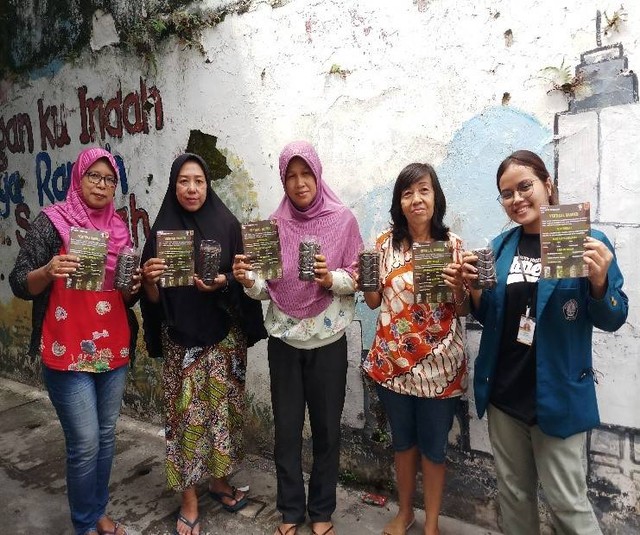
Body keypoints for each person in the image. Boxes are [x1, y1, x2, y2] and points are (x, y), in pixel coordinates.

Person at [461, 150, 628, 534]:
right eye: (506, 194)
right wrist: (473, 292)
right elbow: (493, 318)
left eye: (525, 187)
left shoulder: (585, 240)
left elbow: (614, 317)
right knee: (515, 498)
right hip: (505, 395)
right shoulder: (500, 249)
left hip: (558, 395)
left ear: (547, 185)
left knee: (568, 505)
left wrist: (600, 283)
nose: (517, 199)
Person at [232, 141, 363, 535]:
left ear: (318, 175)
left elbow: (357, 275)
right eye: (291, 175)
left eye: (307, 174)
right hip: (285, 344)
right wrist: (247, 279)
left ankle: (321, 511)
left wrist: (330, 278)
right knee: (286, 431)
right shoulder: (272, 226)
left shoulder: (343, 220)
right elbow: (264, 289)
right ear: (283, 179)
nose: (300, 182)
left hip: (328, 344)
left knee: (327, 431)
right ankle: (291, 509)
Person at [9, 147, 139, 535]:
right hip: (66, 348)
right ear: (78, 178)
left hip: (113, 346)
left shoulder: (118, 226)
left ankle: (97, 511)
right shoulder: (51, 222)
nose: (101, 185)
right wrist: (48, 270)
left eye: (109, 179)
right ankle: (84, 524)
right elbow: (20, 283)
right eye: (93, 177)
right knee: (84, 442)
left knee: (105, 435)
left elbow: (123, 295)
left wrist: (134, 286)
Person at [139, 153, 266, 535]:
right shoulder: (161, 232)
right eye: (183, 181)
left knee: (224, 416)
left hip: (225, 340)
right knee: (184, 420)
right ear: (173, 186)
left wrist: (224, 280)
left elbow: (243, 277)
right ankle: (189, 497)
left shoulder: (226, 224)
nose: (192, 189)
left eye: (198, 181)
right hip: (183, 342)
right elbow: (155, 303)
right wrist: (148, 280)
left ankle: (219, 481)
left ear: (208, 184)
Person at [361, 163, 468, 535]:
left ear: (435, 196)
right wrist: (366, 278)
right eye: (407, 193)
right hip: (393, 367)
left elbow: (464, 306)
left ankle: (432, 524)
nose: (416, 199)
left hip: (441, 369)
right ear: (399, 202)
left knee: (434, 451)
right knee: (403, 445)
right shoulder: (383, 245)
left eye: (423, 190)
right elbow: (374, 302)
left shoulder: (452, 245)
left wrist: (458, 286)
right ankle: (405, 513)